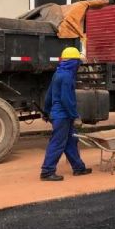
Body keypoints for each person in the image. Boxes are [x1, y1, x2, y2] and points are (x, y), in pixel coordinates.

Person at [40, 47, 92, 181]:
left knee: (70, 141)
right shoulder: (67, 76)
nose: (78, 67)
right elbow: (66, 99)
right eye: (78, 63)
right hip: (63, 116)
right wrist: (75, 116)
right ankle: (47, 171)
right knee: (57, 143)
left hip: (60, 115)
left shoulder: (58, 73)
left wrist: (46, 111)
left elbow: (49, 95)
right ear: (74, 63)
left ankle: (78, 168)